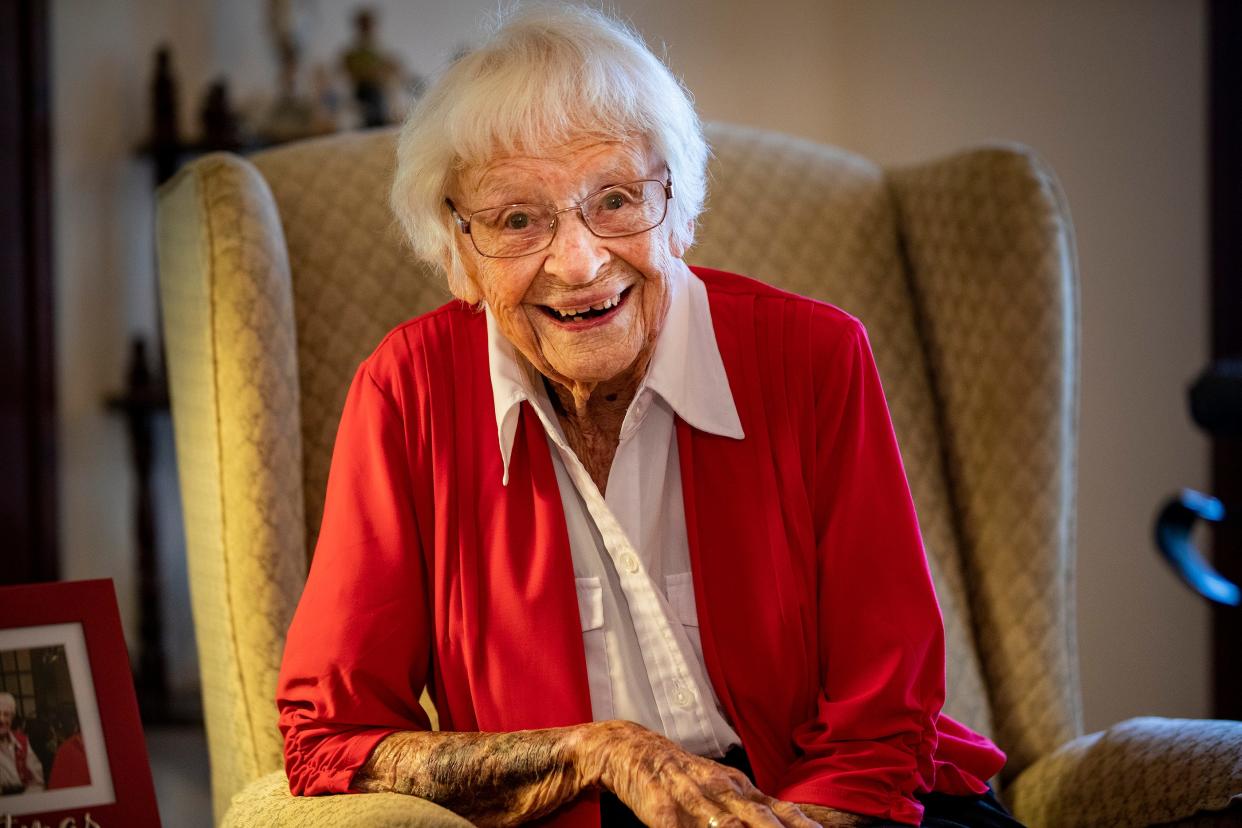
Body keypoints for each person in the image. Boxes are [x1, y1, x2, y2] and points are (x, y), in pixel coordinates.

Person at [277, 5, 1017, 826]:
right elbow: (330, 737)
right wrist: (598, 750)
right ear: (456, 246)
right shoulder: (404, 394)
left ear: (679, 203)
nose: (581, 261)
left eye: (618, 199)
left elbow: (888, 695)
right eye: (518, 219)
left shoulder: (813, 357)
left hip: (834, 806)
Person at [0, 692, 45, 795]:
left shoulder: (21, 741)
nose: (1, 719)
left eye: (6, 714)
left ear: (12, 718)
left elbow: (37, 780)